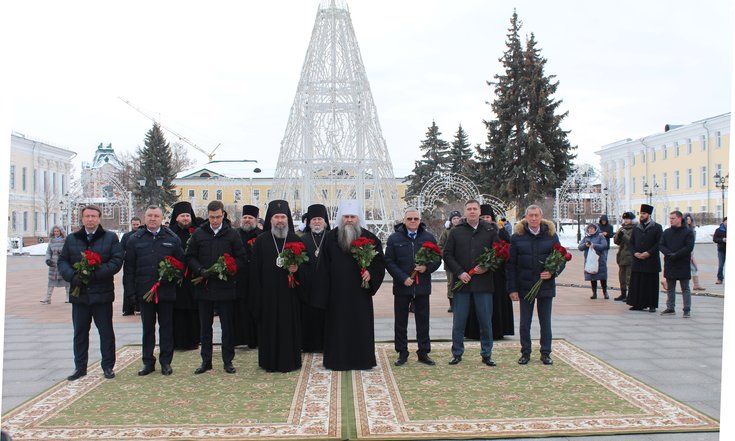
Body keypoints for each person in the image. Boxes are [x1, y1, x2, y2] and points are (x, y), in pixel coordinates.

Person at [315, 200, 385, 371]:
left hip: (360, 294)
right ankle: (336, 361)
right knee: (337, 328)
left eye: (352, 217)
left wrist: (371, 273)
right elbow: (322, 267)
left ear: (358, 218)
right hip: (336, 295)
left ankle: (362, 360)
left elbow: (379, 264)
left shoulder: (370, 238)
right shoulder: (331, 238)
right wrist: (323, 295)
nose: (349, 220)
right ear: (341, 218)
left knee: (360, 327)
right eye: (346, 216)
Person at [58, 205, 123, 381]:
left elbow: (116, 261)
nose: (90, 219)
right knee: (80, 332)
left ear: (99, 218)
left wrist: (95, 273)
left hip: (102, 293)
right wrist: (73, 276)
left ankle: (108, 366)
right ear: (82, 218)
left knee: (106, 332)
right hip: (80, 294)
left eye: (93, 216)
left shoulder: (110, 238)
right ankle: (80, 367)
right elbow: (63, 261)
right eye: (87, 216)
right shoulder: (72, 239)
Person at [185, 200, 246, 374]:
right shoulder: (199, 234)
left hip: (225, 287)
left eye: (218, 217)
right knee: (205, 327)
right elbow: (189, 257)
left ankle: (228, 361)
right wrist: (200, 270)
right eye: (212, 217)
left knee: (227, 327)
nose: (215, 220)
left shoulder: (232, 234)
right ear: (208, 216)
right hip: (204, 287)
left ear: (223, 215)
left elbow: (241, 258)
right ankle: (206, 361)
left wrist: (229, 269)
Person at [123, 206, 184, 376]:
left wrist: (172, 275)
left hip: (165, 292)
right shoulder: (135, 239)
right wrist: (130, 294)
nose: (152, 218)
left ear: (161, 218)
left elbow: (181, 264)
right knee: (147, 329)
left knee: (166, 328)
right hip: (145, 292)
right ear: (144, 217)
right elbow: (129, 269)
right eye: (149, 215)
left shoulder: (172, 239)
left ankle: (166, 362)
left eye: (156, 216)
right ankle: (148, 362)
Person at [251, 200, 307, 372]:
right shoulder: (261, 241)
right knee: (268, 329)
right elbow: (254, 271)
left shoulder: (295, 240)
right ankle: (268, 362)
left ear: (288, 219)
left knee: (288, 329)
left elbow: (306, 270)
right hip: (267, 296)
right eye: (276, 217)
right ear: (270, 220)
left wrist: (297, 270)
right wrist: (257, 297)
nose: (280, 220)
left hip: (289, 296)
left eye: (283, 217)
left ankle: (290, 361)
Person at [443, 199, 499, 366]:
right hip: (462, 284)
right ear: (465, 212)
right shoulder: (456, 231)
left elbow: (498, 254)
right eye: (469, 209)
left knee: (485, 321)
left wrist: (487, 267)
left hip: (483, 284)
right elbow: (447, 254)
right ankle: (457, 353)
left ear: (480, 211)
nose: (472, 211)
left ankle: (486, 353)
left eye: (475, 209)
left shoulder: (490, 230)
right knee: (459, 321)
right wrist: (459, 272)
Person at [507, 205, 565, 366]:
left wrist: (553, 272)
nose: (533, 219)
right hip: (525, 286)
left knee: (545, 321)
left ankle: (545, 353)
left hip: (545, 286)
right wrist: (512, 289)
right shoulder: (517, 237)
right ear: (525, 217)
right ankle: (525, 352)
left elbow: (560, 258)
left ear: (541, 217)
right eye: (530, 216)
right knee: (525, 322)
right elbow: (511, 265)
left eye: (536, 216)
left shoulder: (551, 235)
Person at [385, 208, 441, 366]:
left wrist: (426, 268)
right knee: (400, 321)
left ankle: (423, 352)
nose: (412, 221)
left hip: (422, 287)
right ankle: (402, 352)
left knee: (423, 321)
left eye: (415, 219)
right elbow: (389, 261)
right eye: (409, 218)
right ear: (404, 220)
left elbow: (437, 258)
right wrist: (403, 278)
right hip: (403, 287)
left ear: (420, 220)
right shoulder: (394, 238)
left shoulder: (428, 237)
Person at [466, 205, 514, 340]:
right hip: (479, 272)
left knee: (497, 302)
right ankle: (476, 331)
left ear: (492, 218)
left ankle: (498, 330)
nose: (485, 219)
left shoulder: (501, 232)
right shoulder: (474, 231)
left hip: (497, 273)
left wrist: (496, 261)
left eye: (488, 217)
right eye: (483, 217)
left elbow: (507, 252)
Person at [168, 201, 201, 351]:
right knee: (178, 311)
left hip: (194, 277)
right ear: (176, 218)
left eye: (188, 215)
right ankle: (178, 341)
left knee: (194, 310)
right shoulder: (169, 233)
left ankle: (194, 340)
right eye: (183, 216)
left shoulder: (197, 232)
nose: (186, 218)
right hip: (177, 279)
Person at [300, 204, 330, 353]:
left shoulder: (332, 238)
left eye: (319, 219)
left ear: (324, 221)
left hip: (327, 286)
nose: (317, 222)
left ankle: (326, 345)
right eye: (314, 219)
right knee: (309, 317)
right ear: (309, 222)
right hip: (308, 285)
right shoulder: (303, 239)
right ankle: (309, 345)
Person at [234, 204, 262, 349]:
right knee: (239, 311)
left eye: (250, 218)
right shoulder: (234, 234)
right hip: (239, 279)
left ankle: (255, 340)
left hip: (256, 279)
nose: (247, 220)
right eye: (245, 217)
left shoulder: (261, 236)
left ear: (256, 220)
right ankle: (239, 339)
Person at [626, 204, 663, 312]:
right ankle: (637, 304)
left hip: (651, 261)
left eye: (644, 213)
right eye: (641, 213)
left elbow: (659, 243)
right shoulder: (636, 228)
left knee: (651, 284)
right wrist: (635, 253)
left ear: (649, 215)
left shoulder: (657, 227)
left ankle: (651, 305)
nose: (641, 215)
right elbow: (631, 243)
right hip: (638, 260)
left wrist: (649, 253)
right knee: (637, 283)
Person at [659, 210, 695, 318]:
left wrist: (677, 254)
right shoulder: (667, 232)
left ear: (679, 219)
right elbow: (661, 245)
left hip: (682, 263)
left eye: (673, 218)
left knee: (685, 288)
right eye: (670, 218)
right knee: (670, 287)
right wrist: (669, 253)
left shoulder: (688, 232)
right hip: (670, 262)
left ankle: (686, 309)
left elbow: (689, 247)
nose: (671, 220)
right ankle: (670, 307)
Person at [438, 210, 462, 313]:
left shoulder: (464, 230)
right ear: (450, 221)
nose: (456, 220)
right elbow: (440, 246)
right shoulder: (446, 232)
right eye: (454, 218)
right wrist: (446, 256)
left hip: (462, 262)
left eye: (457, 218)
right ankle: (452, 304)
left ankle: (461, 303)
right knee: (451, 283)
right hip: (449, 263)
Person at [578, 223, 609, 299]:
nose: (590, 230)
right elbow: (580, 247)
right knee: (592, 276)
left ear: (596, 229)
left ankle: (605, 292)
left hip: (599, 260)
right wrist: (586, 245)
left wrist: (594, 245)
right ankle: (594, 293)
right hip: (590, 260)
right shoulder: (586, 237)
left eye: (592, 228)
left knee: (602, 277)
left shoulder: (600, 236)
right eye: (589, 228)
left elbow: (604, 245)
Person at [41, 225, 70, 304]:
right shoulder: (51, 240)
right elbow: (48, 252)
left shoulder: (65, 240)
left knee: (66, 281)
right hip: (53, 264)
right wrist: (48, 260)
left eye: (57, 231)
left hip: (63, 263)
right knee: (51, 281)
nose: (56, 233)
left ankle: (68, 297)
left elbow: (68, 251)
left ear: (61, 232)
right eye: (55, 231)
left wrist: (63, 254)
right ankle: (48, 298)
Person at [120, 217, 142, 316]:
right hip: (129, 263)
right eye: (134, 225)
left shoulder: (143, 235)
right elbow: (121, 249)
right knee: (128, 285)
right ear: (131, 224)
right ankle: (128, 308)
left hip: (141, 264)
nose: (136, 226)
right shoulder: (126, 236)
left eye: (137, 224)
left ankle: (139, 307)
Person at [613, 212, 636, 301]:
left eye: (628, 219)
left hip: (629, 256)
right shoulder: (622, 228)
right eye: (625, 219)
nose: (626, 220)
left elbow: (631, 241)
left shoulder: (634, 229)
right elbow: (616, 241)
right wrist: (618, 236)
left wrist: (624, 235)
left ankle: (630, 295)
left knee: (628, 277)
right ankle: (623, 294)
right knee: (621, 277)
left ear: (632, 220)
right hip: (621, 256)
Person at [683, 213, 705, 291]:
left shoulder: (692, 230)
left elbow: (692, 243)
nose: (689, 221)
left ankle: (696, 284)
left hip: (690, 252)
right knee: (685, 268)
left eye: (690, 219)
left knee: (693, 268)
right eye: (687, 219)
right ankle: (666, 282)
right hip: (684, 253)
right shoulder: (684, 230)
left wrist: (691, 252)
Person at [713, 217, 727, 285]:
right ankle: (719, 278)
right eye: (726, 221)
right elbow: (715, 239)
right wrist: (722, 240)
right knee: (721, 265)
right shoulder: (718, 230)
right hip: (721, 250)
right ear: (723, 222)